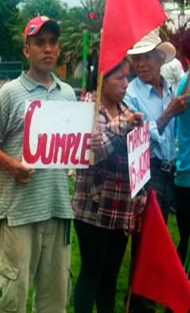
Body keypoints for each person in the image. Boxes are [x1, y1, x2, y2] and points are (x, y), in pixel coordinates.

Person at [0, 16, 76, 313]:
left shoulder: (68, 94)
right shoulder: (10, 93)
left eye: (53, 43)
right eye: (40, 43)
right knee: (12, 300)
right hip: (20, 213)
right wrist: (11, 164)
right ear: (27, 50)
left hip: (58, 209)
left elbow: (71, 145)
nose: (47, 49)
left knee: (55, 300)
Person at [73, 58, 146, 313]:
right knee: (91, 274)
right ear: (102, 79)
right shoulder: (88, 107)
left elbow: (137, 155)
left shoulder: (126, 109)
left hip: (121, 211)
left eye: (128, 77)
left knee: (109, 279)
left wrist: (141, 191)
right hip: (93, 211)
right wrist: (121, 127)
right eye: (120, 78)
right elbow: (93, 154)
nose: (126, 84)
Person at [123, 28, 187, 223]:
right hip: (147, 172)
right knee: (147, 237)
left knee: (161, 235)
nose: (141, 64)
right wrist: (168, 113)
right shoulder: (130, 93)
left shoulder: (169, 90)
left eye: (147, 57)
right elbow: (136, 136)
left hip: (170, 173)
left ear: (160, 59)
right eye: (137, 59)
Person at [174, 68, 190, 271]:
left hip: (184, 170)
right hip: (187, 172)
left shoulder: (185, 80)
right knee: (186, 237)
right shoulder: (186, 83)